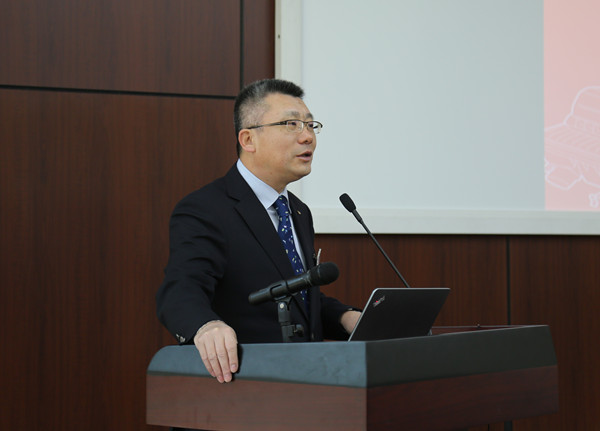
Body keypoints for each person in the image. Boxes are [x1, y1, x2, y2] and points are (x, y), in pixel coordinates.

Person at [156, 78, 361, 385]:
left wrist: (346, 317)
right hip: (244, 386)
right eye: (291, 124)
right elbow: (180, 289)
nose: (307, 137)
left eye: (310, 125)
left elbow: (298, 298)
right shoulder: (206, 208)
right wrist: (206, 325)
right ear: (248, 139)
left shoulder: (298, 211)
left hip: (307, 384)